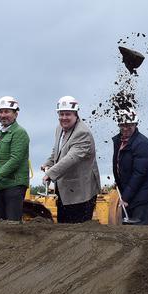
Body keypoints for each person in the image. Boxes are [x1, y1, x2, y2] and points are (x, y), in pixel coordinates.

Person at [42, 95, 102, 223]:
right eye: (61, 114)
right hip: (65, 191)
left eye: (67, 114)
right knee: (64, 227)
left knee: (78, 231)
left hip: (81, 193)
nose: (64, 118)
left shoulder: (82, 133)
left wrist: (50, 173)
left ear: (75, 114)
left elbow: (71, 158)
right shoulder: (60, 129)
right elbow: (57, 151)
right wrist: (48, 162)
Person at [111, 109, 148, 225]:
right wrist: (119, 182)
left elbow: (139, 173)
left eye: (129, 125)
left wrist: (125, 197)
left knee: (138, 231)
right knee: (127, 230)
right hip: (129, 193)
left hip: (141, 196)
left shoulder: (142, 143)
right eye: (123, 125)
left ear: (135, 125)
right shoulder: (119, 141)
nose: (125, 128)